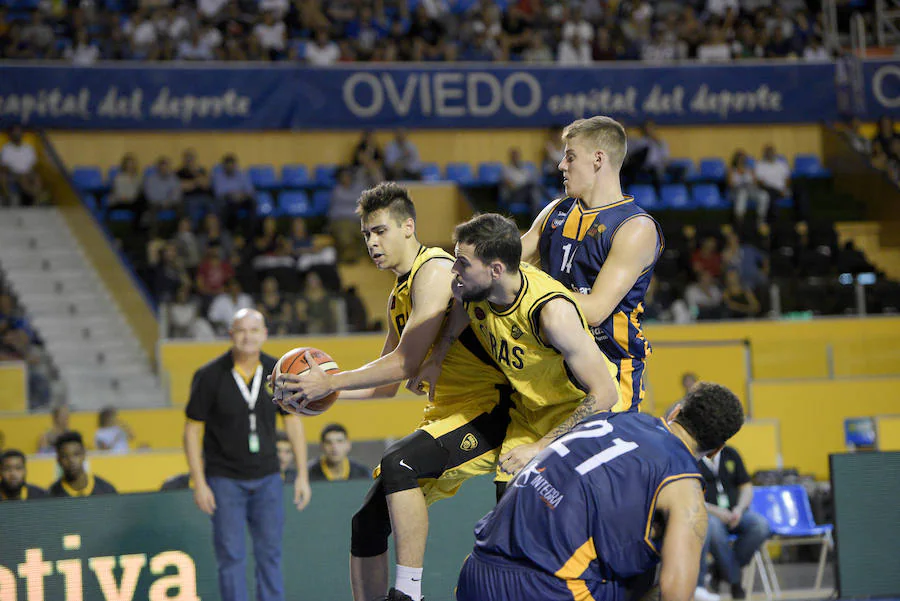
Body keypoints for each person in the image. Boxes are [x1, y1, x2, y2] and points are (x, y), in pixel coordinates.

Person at [276, 182, 514, 601]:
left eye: (380, 230)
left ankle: (409, 595)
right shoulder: (396, 297)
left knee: (398, 462)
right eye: (366, 233)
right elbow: (384, 387)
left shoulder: (438, 270)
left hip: (494, 412)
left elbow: (405, 363)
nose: (371, 241)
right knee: (365, 524)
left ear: (408, 227)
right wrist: (311, 395)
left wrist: (329, 380)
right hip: (449, 415)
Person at [455, 382, 745, 601]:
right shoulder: (686, 490)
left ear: (675, 412)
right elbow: (675, 593)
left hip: (476, 568)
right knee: (649, 569)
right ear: (716, 450)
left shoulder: (610, 418)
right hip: (547, 589)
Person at [414, 213, 620, 481]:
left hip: (578, 415)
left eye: (462, 263)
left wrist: (539, 448)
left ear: (496, 270)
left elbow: (605, 394)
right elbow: (463, 308)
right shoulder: (478, 287)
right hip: (530, 410)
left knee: (547, 504)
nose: (454, 269)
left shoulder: (552, 314)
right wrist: (437, 357)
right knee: (509, 501)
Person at [520, 116, 663, 412]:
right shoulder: (557, 210)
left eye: (570, 157)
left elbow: (596, 310)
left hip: (611, 371)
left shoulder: (635, 226)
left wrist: (527, 289)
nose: (561, 165)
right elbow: (506, 264)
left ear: (598, 159)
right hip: (554, 369)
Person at [184, 308, 311, 601]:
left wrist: (302, 474)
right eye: (241, 330)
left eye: (254, 330)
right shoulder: (208, 375)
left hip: (268, 477)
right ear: (231, 335)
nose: (248, 337)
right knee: (231, 558)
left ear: (264, 334)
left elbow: (292, 421)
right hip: (224, 480)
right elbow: (192, 431)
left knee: (270, 556)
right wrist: (199, 482)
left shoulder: (278, 373)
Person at [695, 445, 770, 601]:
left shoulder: (731, 454)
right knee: (712, 527)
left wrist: (739, 509)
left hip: (736, 513)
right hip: (710, 513)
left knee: (760, 525)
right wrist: (717, 511)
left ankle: (719, 570)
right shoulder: (693, 457)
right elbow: (692, 496)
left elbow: (746, 487)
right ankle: (735, 581)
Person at [48, 431, 118, 497]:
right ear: (58, 460)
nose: (71, 460)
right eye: (65, 456)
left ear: (84, 454)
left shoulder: (106, 490)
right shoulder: (52, 495)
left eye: (76, 454)